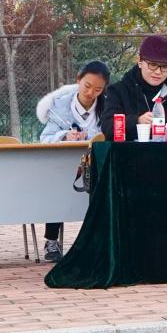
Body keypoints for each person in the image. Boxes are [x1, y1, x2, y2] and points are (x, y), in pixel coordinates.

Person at [35, 60, 110, 262]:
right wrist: (64, 135)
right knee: (57, 189)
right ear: (78, 80)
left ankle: (100, 242)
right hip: (64, 165)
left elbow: (111, 134)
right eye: (87, 86)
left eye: (98, 90)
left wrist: (92, 137)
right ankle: (51, 241)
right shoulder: (59, 107)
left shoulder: (107, 106)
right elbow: (45, 138)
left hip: (97, 164)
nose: (90, 93)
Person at [101, 35, 167, 139]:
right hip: (129, 148)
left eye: (165, 66)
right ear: (140, 62)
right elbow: (107, 127)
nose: (158, 72)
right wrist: (137, 121)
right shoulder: (118, 91)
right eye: (153, 65)